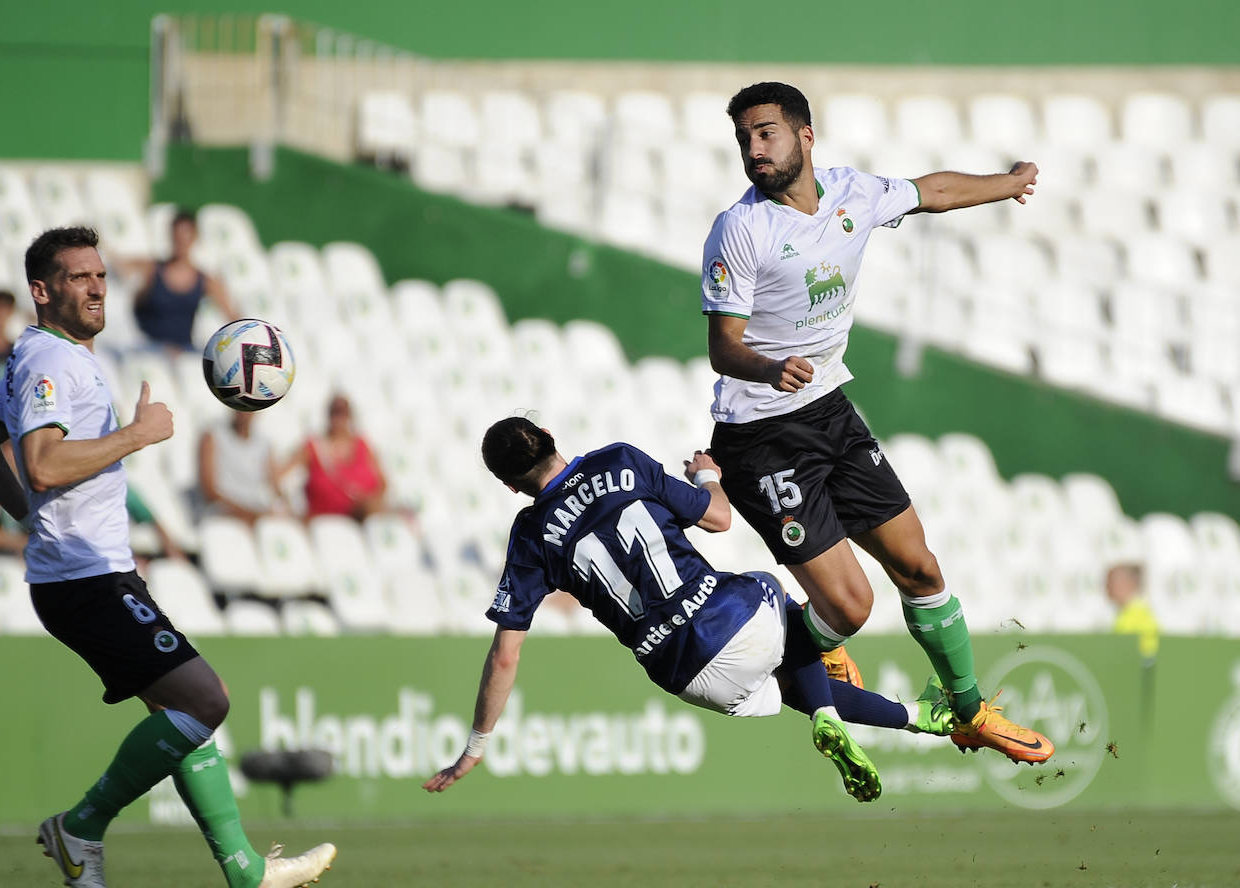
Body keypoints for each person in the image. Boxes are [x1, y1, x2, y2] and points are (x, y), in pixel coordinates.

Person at [0, 226, 334, 888]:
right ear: (42, 290)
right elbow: (40, 463)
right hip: (87, 579)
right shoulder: (53, 364)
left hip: (85, 573)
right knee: (207, 700)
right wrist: (138, 434)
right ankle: (82, 826)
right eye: (78, 277)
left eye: (101, 275)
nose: (97, 286)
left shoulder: (43, 355)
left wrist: (29, 516)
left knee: (178, 713)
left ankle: (249, 876)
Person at [698, 82, 1053, 764]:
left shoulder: (852, 193)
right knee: (851, 606)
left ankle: (970, 709)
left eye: (765, 133)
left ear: (806, 135)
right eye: (744, 138)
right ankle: (810, 665)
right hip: (760, 437)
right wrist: (770, 368)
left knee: (919, 566)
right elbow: (722, 346)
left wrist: (1006, 184)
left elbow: (932, 192)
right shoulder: (740, 229)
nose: (753, 149)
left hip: (830, 411)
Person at [423, 418, 955, 804]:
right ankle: (828, 714)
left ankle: (919, 718)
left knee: (789, 682)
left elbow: (505, 657)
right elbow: (720, 519)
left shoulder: (529, 535)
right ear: (552, 440)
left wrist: (475, 745)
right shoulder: (619, 461)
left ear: (509, 485)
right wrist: (706, 476)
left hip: (683, 674)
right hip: (729, 615)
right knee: (774, 594)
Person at [132, 209, 237, 353]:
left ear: (194, 238)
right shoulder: (153, 270)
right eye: (177, 237)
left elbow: (233, 317)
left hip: (185, 351)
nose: (181, 242)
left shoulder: (205, 280)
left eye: (186, 236)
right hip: (150, 348)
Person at [294, 394, 389, 521]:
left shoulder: (363, 444)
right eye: (335, 412)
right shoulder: (314, 446)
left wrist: (371, 502)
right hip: (324, 518)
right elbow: (285, 475)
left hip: (361, 516)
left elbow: (383, 483)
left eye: (343, 413)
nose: (339, 418)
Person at [198, 410, 287, 523]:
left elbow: (276, 486)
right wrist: (251, 515)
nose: (245, 412)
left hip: (254, 517)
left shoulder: (264, 443)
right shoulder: (212, 435)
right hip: (222, 517)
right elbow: (210, 492)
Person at [1105, 562, 1160, 727]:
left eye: (1110, 582)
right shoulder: (1132, 613)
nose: (1106, 589)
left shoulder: (1137, 614)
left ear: (1127, 584)